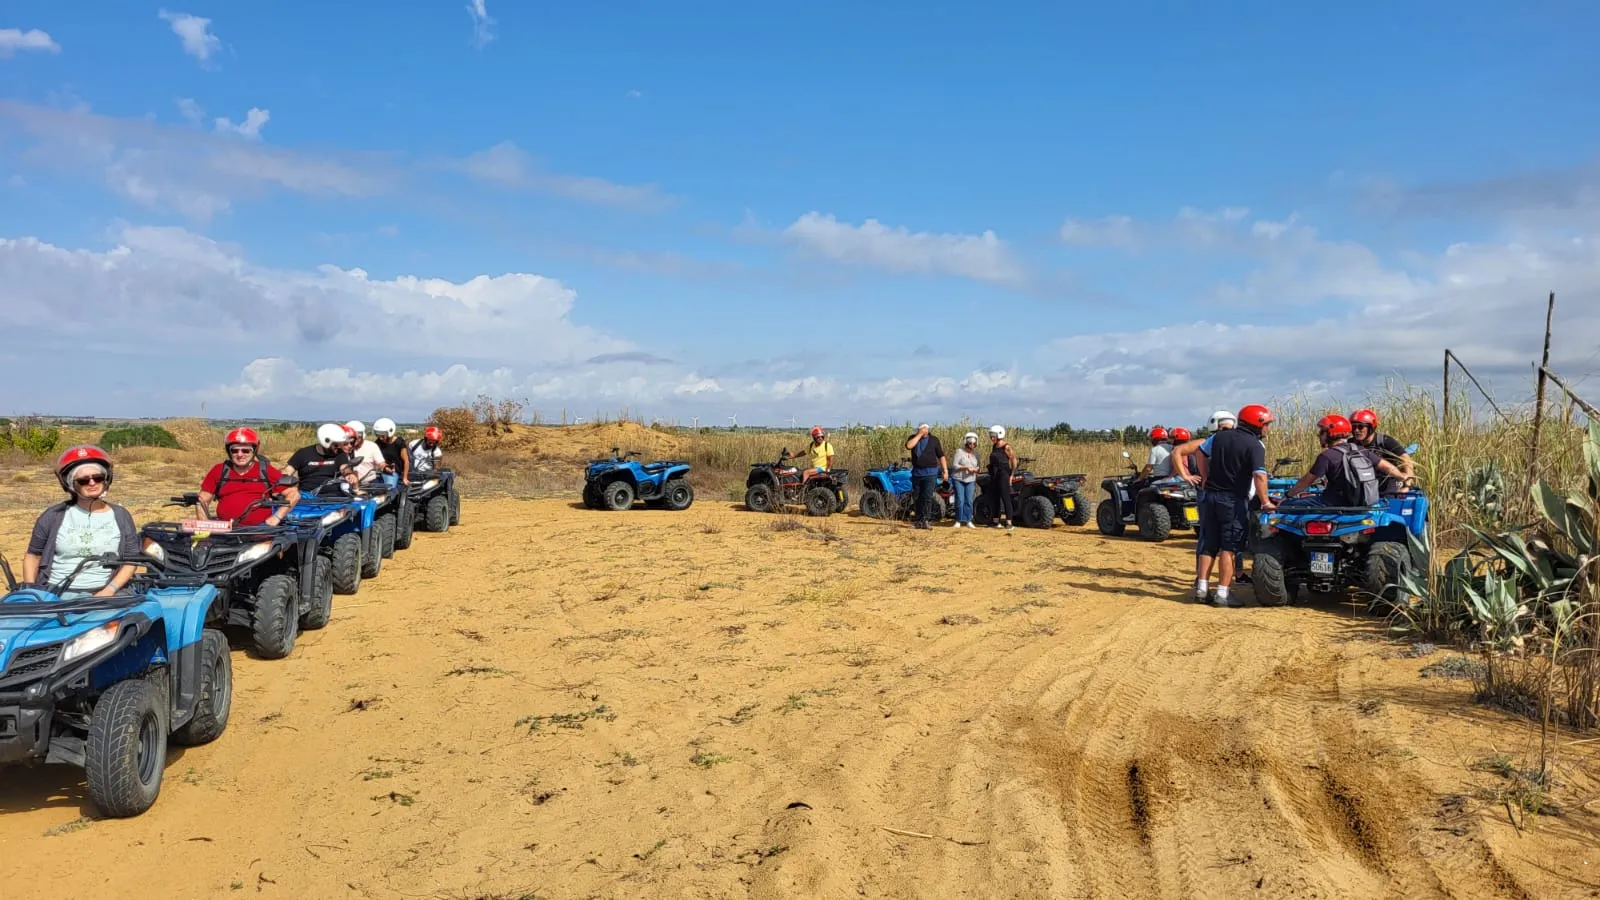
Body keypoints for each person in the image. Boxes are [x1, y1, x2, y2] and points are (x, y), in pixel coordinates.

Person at [24, 446, 139, 596]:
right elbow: (33, 555)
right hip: (55, 593)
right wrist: (31, 592)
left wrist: (109, 590)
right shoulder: (53, 515)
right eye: (84, 480)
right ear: (71, 484)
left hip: (103, 593)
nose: (92, 483)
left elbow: (131, 560)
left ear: (106, 479)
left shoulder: (121, 516)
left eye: (97, 477)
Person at [1195, 404, 1274, 607]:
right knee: (1229, 548)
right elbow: (1259, 475)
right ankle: (1223, 593)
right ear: (1257, 424)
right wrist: (1265, 501)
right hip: (1232, 500)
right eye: (1266, 425)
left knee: (1209, 545)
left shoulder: (1220, 436)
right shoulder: (1254, 445)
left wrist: (1205, 477)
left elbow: (1200, 453)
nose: (1267, 429)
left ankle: (1202, 590)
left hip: (1210, 497)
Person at [1283, 414, 1404, 507]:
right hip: (1363, 503)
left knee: (1287, 505)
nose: (1318, 435)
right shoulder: (1361, 451)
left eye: (1322, 432)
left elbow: (1305, 483)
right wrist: (1403, 478)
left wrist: (1287, 496)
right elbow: (1388, 467)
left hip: (1332, 504)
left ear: (1331, 433)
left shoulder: (1327, 456)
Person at [197, 427, 300, 526]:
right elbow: (202, 500)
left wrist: (276, 517)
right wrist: (204, 525)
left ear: (254, 451)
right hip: (225, 532)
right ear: (229, 451)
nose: (240, 454)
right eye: (235, 450)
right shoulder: (219, 470)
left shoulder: (265, 470)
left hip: (258, 532)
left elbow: (294, 495)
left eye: (246, 450)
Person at [285, 423, 360, 496]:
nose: (339, 447)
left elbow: (344, 467)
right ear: (326, 441)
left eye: (341, 444)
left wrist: (349, 474)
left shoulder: (340, 454)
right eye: (336, 445)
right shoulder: (303, 453)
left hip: (335, 496)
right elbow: (288, 470)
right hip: (307, 496)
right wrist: (283, 477)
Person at [1349, 408, 1414, 490]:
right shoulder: (1350, 443)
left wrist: (1407, 485)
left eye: (1361, 427)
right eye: (1353, 427)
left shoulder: (1385, 441)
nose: (1356, 430)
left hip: (1387, 483)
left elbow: (1406, 460)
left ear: (1371, 427)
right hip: (1364, 483)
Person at [903, 424, 948, 530]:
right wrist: (919, 435)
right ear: (918, 430)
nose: (925, 431)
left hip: (931, 473)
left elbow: (941, 456)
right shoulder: (913, 438)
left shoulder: (934, 440)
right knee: (917, 497)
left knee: (927, 496)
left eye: (926, 429)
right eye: (922, 429)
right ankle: (918, 521)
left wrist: (945, 470)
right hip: (917, 473)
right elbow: (909, 446)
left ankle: (926, 520)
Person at [986, 425, 1018, 531]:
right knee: (995, 497)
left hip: (1003, 474)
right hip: (994, 474)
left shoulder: (1006, 447)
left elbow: (1014, 460)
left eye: (993, 435)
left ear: (999, 434)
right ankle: (996, 521)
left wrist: (1011, 475)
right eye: (991, 435)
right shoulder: (994, 446)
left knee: (1005, 498)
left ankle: (1009, 522)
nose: (991, 437)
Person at [950, 432, 981, 529]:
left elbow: (978, 466)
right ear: (966, 443)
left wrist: (976, 470)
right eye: (970, 443)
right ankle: (958, 520)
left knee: (969, 500)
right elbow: (955, 465)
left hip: (971, 479)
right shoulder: (959, 452)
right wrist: (965, 468)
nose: (972, 445)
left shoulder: (976, 454)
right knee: (960, 500)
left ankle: (968, 520)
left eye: (974, 444)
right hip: (959, 479)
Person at [344, 419, 386, 485]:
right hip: (348, 483)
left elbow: (381, 463)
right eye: (351, 437)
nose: (355, 439)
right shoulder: (342, 448)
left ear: (363, 435)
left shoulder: (372, 446)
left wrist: (386, 467)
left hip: (369, 482)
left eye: (358, 436)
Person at [372, 417, 409, 490]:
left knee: (391, 491)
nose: (380, 438)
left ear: (390, 432)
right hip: (381, 472)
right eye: (378, 435)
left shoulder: (399, 442)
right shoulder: (378, 443)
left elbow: (406, 461)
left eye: (383, 435)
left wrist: (405, 478)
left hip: (394, 473)